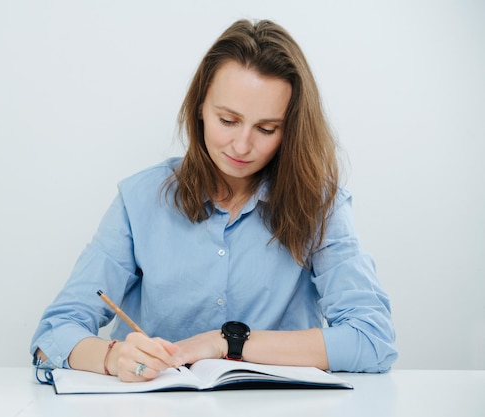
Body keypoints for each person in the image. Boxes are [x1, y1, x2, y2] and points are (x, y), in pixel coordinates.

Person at [30, 18, 397, 382]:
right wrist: (113, 357)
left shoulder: (319, 206)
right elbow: (52, 336)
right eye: (228, 120)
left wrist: (225, 343)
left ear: (290, 130)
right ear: (200, 108)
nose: (241, 146)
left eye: (266, 129)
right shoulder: (139, 200)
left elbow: (372, 339)